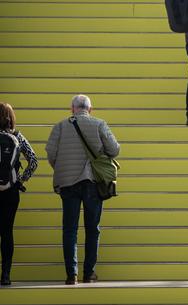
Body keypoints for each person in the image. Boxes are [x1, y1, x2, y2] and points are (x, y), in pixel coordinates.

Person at [45, 95, 120, 285]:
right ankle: (89, 273)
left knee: (69, 229)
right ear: (90, 109)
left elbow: (51, 153)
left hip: (67, 183)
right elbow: (114, 150)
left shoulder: (60, 126)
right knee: (92, 229)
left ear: (72, 109)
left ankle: (71, 275)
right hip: (92, 182)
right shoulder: (99, 124)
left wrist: (62, 168)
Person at [0, 102, 38, 286]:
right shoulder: (17, 136)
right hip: (10, 191)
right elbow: (33, 160)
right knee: (7, 232)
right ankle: (6, 275)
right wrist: (20, 180)